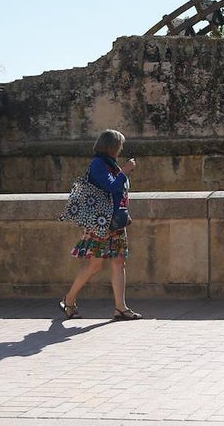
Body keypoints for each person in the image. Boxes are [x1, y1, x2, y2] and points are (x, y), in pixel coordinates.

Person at [59, 129, 143, 321]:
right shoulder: (98, 164)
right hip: (101, 223)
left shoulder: (110, 164)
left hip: (115, 222)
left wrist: (122, 172)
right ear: (112, 146)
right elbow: (112, 186)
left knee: (119, 262)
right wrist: (125, 171)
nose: (121, 149)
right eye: (119, 145)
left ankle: (120, 308)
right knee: (95, 265)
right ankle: (69, 299)